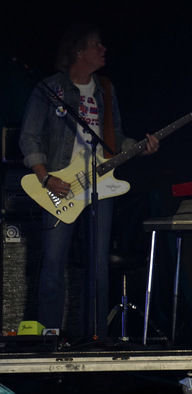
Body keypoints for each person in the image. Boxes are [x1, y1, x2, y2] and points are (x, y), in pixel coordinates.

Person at [19, 23, 159, 339]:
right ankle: (50, 337)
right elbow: (29, 137)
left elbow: (116, 137)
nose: (104, 49)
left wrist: (139, 147)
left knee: (98, 268)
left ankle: (95, 337)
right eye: (97, 44)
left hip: (100, 185)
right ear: (79, 51)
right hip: (60, 185)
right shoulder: (49, 88)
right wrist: (45, 177)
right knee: (53, 265)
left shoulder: (105, 90)